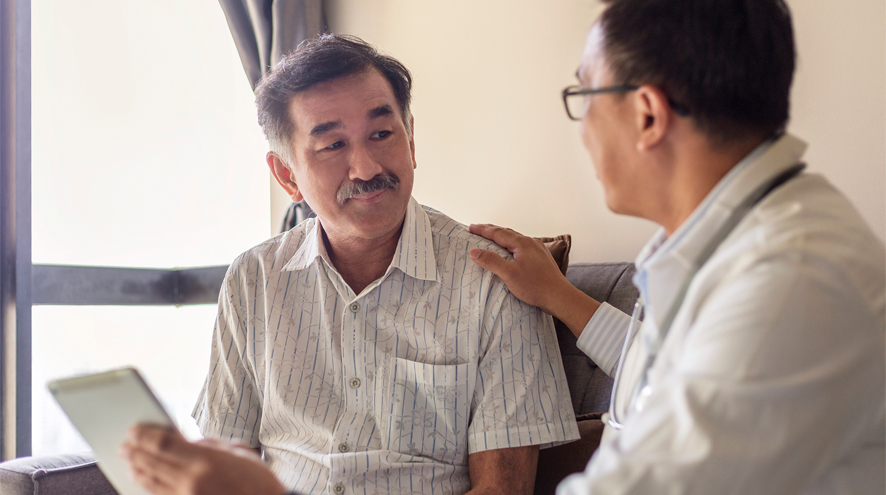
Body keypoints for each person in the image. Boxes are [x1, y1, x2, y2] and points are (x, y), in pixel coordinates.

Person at [123, 34, 578, 495]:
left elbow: (504, 492)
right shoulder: (251, 280)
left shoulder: (496, 279)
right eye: (333, 146)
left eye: (382, 134)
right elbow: (223, 468)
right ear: (286, 175)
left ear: (411, 139)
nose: (365, 169)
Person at [467, 0, 885, 494]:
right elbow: (665, 367)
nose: (582, 130)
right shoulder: (742, 244)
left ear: (647, 114)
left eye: (586, 95)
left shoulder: (789, 282)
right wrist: (557, 295)